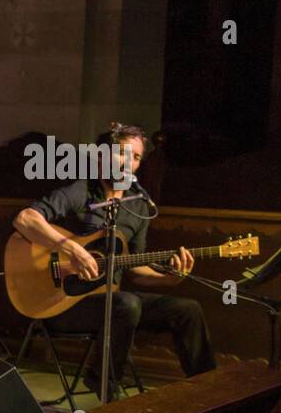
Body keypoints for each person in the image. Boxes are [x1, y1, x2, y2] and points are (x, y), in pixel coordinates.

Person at [12, 123, 215, 393]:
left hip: (115, 302)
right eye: (122, 153)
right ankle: (105, 383)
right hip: (64, 302)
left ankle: (210, 390)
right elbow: (25, 219)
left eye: (137, 157)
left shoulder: (139, 205)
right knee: (126, 304)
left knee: (187, 309)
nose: (129, 162)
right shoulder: (81, 191)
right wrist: (73, 249)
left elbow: (135, 266)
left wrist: (169, 278)